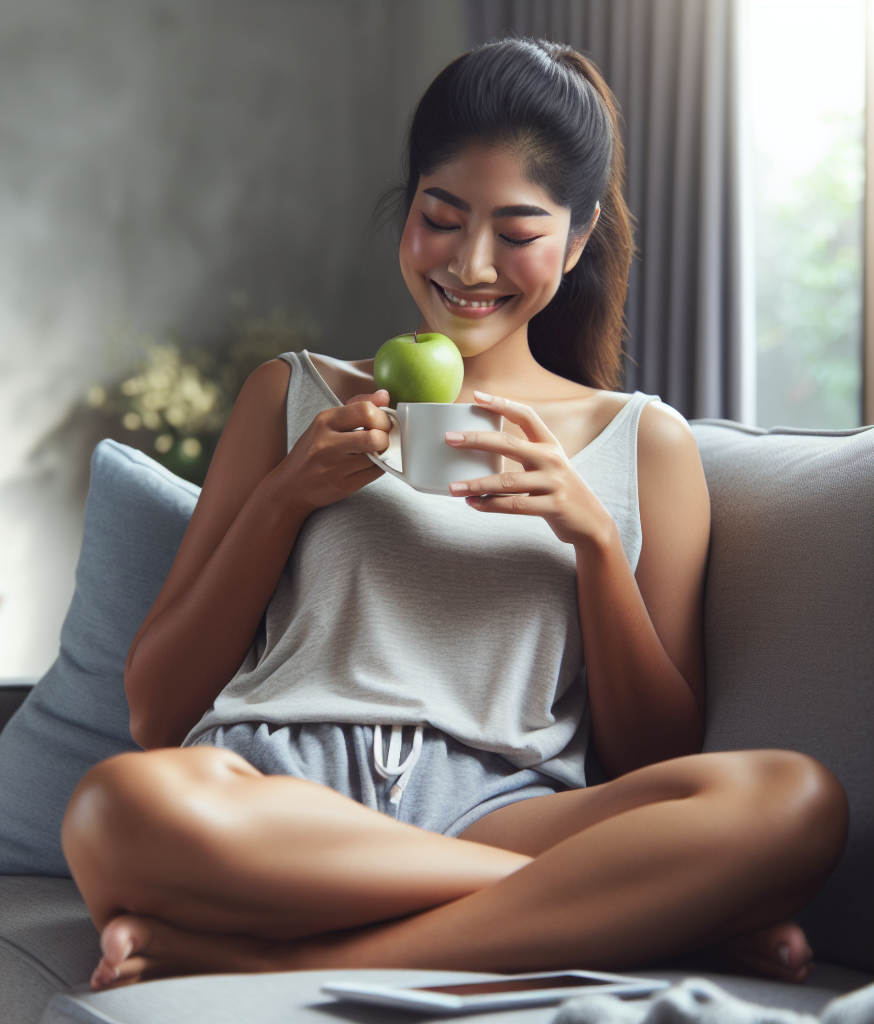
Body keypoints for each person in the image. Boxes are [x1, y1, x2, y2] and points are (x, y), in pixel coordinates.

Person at [62, 39, 847, 991]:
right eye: (442, 218)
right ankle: (610, 914)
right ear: (411, 206)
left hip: (504, 802)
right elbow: (158, 712)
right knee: (116, 807)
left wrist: (593, 539)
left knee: (794, 801)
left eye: (517, 232)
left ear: (581, 230)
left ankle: (247, 955)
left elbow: (656, 758)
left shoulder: (646, 444)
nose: (471, 264)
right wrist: (285, 499)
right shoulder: (292, 396)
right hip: (278, 791)